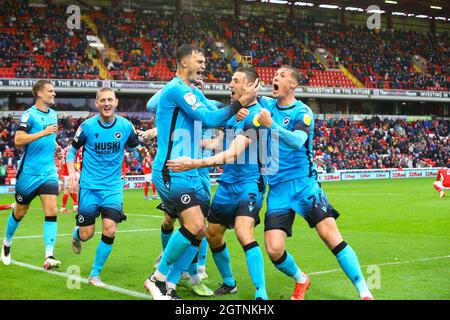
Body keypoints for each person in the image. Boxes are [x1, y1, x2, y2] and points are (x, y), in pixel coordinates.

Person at [143, 43, 258, 300]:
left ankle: (170, 283)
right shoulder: (175, 89)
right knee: (194, 225)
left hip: (192, 171)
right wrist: (239, 102)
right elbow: (210, 120)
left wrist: (242, 111)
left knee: (195, 229)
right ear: (184, 62)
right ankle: (157, 279)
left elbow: (215, 114)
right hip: (173, 168)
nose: (204, 65)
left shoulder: (192, 91)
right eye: (200, 61)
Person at [251, 65, 373, 300]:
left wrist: (270, 126)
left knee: (330, 236)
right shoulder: (266, 105)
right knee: (274, 249)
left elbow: (297, 141)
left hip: (304, 185)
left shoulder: (302, 111)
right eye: (274, 75)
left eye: (282, 76)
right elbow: (245, 99)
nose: (275, 78)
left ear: (293, 84)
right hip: (277, 189)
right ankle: (301, 278)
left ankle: (364, 292)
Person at [167, 66, 268, 300]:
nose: (230, 84)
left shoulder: (257, 117)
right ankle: (230, 282)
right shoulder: (233, 115)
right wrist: (174, 138)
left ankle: (260, 292)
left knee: (244, 231)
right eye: (231, 80)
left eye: (236, 80)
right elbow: (217, 144)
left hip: (249, 184)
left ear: (250, 86)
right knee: (212, 234)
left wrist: (193, 162)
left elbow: (232, 153)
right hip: (226, 185)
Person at [143, 74, 221, 298]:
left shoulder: (210, 105)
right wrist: (178, 84)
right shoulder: (178, 93)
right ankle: (168, 268)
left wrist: (212, 142)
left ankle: (193, 272)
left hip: (201, 171)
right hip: (177, 169)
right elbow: (152, 106)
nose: (198, 77)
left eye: (201, 74)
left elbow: (218, 131)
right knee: (171, 220)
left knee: (199, 225)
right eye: (195, 73)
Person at [67, 87, 146, 287]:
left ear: (116, 101)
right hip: (89, 187)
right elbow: (71, 151)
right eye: (102, 100)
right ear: (97, 103)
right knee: (87, 234)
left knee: (110, 230)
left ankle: (95, 274)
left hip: (112, 187)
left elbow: (136, 148)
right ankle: (77, 235)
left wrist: (142, 153)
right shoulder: (87, 127)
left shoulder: (126, 126)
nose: (106, 103)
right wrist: (72, 172)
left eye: (110, 99)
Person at [1, 80, 63, 269]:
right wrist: (43, 133)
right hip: (29, 174)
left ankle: (49, 256)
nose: (54, 94)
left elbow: (49, 138)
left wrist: (56, 146)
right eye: (50, 91)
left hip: (48, 172)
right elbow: (18, 139)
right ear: (39, 93)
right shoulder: (29, 115)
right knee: (20, 212)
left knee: (51, 210)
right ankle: (6, 244)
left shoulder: (54, 114)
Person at [59, 144, 80, 213]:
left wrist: (61, 173)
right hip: (69, 172)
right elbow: (72, 162)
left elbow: (62, 162)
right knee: (70, 189)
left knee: (72, 189)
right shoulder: (71, 151)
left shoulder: (64, 150)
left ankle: (75, 205)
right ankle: (64, 207)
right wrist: (79, 171)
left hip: (65, 172)